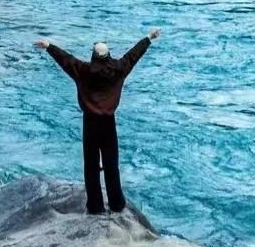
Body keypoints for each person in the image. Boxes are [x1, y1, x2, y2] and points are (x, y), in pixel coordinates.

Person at [34, 28, 161, 214]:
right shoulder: (118, 68)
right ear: (108, 55)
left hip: (90, 122)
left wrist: (49, 46)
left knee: (91, 165)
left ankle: (95, 205)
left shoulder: (83, 70)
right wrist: (149, 38)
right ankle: (117, 203)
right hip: (109, 122)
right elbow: (133, 55)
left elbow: (66, 59)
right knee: (111, 164)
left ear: (93, 55)